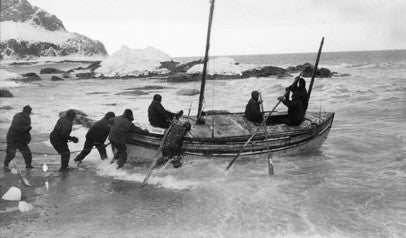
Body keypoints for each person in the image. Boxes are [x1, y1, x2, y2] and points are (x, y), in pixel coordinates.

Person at [3, 105, 34, 171]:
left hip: (21, 139)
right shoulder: (18, 116)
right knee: (11, 153)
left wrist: (28, 137)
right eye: (28, 112)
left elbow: (27, 130)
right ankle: (5, 165)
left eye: (29, 112)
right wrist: (25, 128)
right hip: (13, 138)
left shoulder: (28, 118)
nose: (28, 114)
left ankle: (28, 165)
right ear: (24, 111)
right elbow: (15, 127)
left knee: (27, 153)